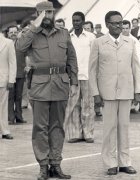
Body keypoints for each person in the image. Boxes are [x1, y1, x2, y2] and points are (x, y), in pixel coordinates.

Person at [16, 1, 78, 180]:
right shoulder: (31, 34)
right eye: (43, 13)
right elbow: (19, 48)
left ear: (54, 13)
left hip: (60, 84)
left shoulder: (64, 34)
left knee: (58, 126)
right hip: (40, 86)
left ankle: (56, 164)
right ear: (37, 14)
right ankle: (43, 166)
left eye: (50, 12)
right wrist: (34, 27)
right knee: (40, 128)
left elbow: (72, 59)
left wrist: (73, 82)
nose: (47, 16)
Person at [89, 11, 140, 175]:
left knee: (124, 128)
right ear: (107, 24)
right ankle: (110, 163)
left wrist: (137, 90)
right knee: (109, 128)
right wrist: (95, 93)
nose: (119, 26)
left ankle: (125, 162)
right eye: (115, 23)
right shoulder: (98, 43)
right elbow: (92, 70)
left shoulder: (130, 42)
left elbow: (136, 68)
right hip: (107, 93)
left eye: (120, 23)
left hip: (126, 91)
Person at [65, 11, 95, 143]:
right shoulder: (68, 37)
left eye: (78, 20)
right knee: (73, 105)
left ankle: (88, 133)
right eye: (74, 20)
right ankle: (75, 133)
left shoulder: (90, 37)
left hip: (88, 75)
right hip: (73, 77)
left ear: (83, 21)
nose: (75, 23)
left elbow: (95, 57)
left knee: (88, 105)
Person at [122, 20, 140, 114]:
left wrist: (138, 68)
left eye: (127, 28)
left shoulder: (134, 41)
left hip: (132, 68)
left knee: (133, 87)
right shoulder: (117, 40)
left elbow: (138, 56)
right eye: (123, 28)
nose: (124, 30)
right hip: (121, 68)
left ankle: (132, 107)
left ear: (130, 28)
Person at [7, 25, 27, 124]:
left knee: (18, 96)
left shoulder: (22, 44)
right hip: (9, 75)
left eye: (15, 32)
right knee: (10, 97)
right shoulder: (5, 45)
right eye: (11, 32)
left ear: (18, 32)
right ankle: (10, 118)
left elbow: (27, 56)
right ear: (8, 34)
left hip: (20, 74)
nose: (13, 34)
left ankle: (19, 117)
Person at [83, 21, 102, 117]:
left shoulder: (96, 39)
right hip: (84, 69)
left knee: (95, 89)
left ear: (92, 29)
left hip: (94, 68)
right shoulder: (82, 39)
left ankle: (97, 109)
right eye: (85, 29)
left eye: (88, 28)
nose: (86, 30)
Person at [0, 28, 16, 139]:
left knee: (3, 106)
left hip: (3, 79)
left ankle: (5, 131)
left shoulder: (8, 43)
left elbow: (12, 62)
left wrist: (11, 80)